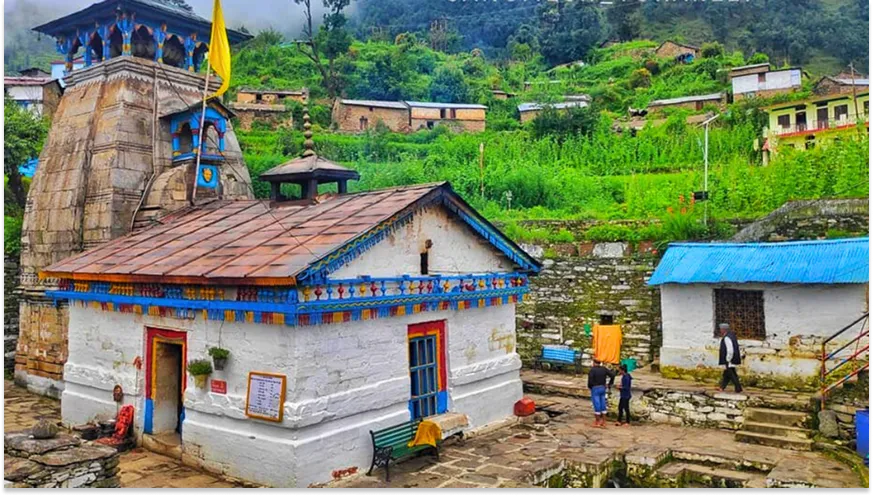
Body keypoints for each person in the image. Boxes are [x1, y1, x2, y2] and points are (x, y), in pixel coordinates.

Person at [588, 359, 615, 428]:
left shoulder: (592, 370)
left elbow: (590, 381)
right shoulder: (604, 369)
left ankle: (598, 421)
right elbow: (612, 375)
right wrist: (610, 384)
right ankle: (604, 422)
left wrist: (590, 387)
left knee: (597, 404)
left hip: (595, 388)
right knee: (603, 403)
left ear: (594, 363)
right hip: (602, 387)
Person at [717, 323, 743, 393]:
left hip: (729, 359)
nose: (720, 331)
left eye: (721, 329)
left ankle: (738, 388)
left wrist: (728, 359)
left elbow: (730, 350)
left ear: (723, 330)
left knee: (731, 374)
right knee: (727, 373)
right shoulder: (732, 335)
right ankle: (722, 387)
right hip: (731, 359)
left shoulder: (727, 338)